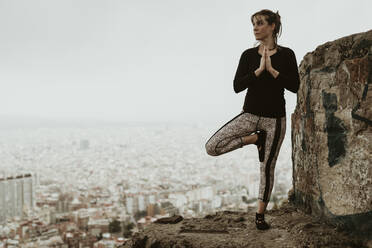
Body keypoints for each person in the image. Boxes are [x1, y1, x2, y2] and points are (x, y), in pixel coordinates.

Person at [204, 9, 300, 230]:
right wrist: (258, 71)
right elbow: (237, 86)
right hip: (249, 115)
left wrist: (273, 71)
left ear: (272, 26)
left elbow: (295, 86)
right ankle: (253, 140)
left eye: (260, 23)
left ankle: (259, 215)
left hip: (275, 119)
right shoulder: (248, 55)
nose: (255, 28)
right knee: (212, 146)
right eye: (254, 24)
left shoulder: (287, 55)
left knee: (267, 168)